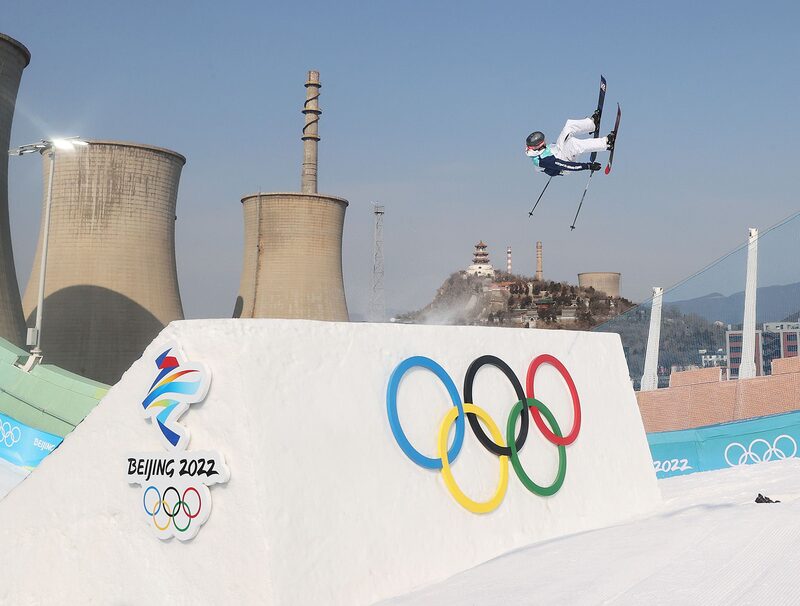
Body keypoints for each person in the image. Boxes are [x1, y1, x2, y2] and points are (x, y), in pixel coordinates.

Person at [526, 111, 616, 177]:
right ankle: (606, 143)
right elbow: (566, 166)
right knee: (573, 144)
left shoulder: (539, 150)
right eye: (543, 141)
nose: (545, 141)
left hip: (559, 152)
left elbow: (554, 148)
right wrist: (588, 166)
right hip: (564, 165)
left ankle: (592, 124)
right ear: (538, 146)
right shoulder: (543, 160)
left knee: (568, 126)